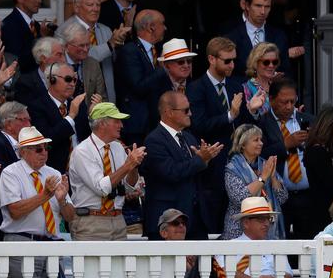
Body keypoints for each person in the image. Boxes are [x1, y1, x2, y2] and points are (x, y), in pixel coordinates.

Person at [0, 126, 74, 278]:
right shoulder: (11, 173)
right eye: (37, 149)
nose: (44, 152)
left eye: (46, 148)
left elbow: (71, 217)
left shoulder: (53, 173)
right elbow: (15, 211)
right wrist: (46, 195)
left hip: (49, 244)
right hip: (22, 241)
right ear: (24, 151)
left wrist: (61, 201)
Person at [188, 36, 254, 234]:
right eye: (227, 61)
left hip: (237, 163)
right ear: (211, 59)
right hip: (213, 166)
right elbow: (198, 125)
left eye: (234, 60)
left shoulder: (237, 85)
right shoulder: (196, 88)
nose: (232, 65)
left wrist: (253, 111)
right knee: (213, 219)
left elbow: (243, 123)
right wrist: (229, 115)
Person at [141, 91, 223, 240]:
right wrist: (200, 160)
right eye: (185, 110)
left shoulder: (189, 137)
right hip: (168, 222)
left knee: (199, 264)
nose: (190, 113)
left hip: (195, 219)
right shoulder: (154, 140)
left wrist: (208, 159)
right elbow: (171, 172)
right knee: (167, 264)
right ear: (169, 112)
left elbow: (197, 171)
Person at [69, 102, 146, 241]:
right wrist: (128, 165)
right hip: (91, 222)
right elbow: (101, 188)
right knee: (91, 264)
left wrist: (134, 166)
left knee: (119, 264)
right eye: (116, 121)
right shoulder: (82, 151)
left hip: (118, 219)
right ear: (102, 123)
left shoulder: (117, 147)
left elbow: (128, 188)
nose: (121, 125)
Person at [259, 77, 314, 240]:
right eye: (284, 102)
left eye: (292, 101)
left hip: (307, 195)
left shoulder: (308, 120)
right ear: (272, 100)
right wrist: (286, 144)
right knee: (282, 243)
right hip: (279, 196)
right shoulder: (263, 123)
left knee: (308, 241)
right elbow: (260, 154)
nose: (289, 106)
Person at [61, 0, 130, 102]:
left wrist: (120, 41)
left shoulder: (105, 30)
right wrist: (110, 44)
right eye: (90, 5)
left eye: (98, 5)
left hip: (107, 97)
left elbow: (115, 62)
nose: (96, 9)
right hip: (80, 98)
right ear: (77, 7)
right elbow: (86, 56)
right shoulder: (65, 30)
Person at [223, 124, 287, 240]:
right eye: (255, 140)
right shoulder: (232, 168)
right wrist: (262, 178)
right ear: (243, 145)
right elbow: (240, 198)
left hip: (267, 230)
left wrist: (272, 178)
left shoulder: (265, 165)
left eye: (261, 140)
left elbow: (282, 198)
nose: (261, 143)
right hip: (239, 231)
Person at [0, 102, 32, 243]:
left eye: (30, 120)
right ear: (9, 124)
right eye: (24, 120)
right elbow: (2, 177)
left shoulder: (29, 146)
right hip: (0, 217)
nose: (30, 124)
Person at [27, 62, 91, 173]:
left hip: (83, 169)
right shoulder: (37, 107)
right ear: (52, 80)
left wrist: (93, 117)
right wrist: (70, 117)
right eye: (68, 79)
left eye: (74, 80)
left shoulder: (78, 104)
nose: (72, 84)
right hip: (56, 171)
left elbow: (87, 136)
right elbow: (47, 140)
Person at [115, 9, 167, 146]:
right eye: (162, 23)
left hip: (154, 121)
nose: (165, 27)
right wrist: (162, 69)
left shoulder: (157, 49)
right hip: (138, 126)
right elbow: (138, 86)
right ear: (151, 27)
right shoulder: (130, 51)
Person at [225, 0, 292, 80]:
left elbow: (286, 71)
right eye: (258, 6)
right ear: (247, 6)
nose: (263, 12)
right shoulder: (231, 38)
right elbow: (228, 75)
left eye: (267, 7)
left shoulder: (279, 36)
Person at [55, 21, 108, 102]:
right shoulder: (56, 65)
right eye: (81, 45)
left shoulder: (93, 64)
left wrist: (98, 106)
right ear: (66, 46)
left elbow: (102, 98)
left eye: (88, 45)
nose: (86, 49)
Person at [13, 37, 66, 107]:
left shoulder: (69, 79)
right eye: (59, 55)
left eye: (63, 55)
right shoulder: (25, 83)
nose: (64, 60)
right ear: (43, 58)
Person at [1, 0, 46, 73]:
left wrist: (45, 37)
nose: (39, 0)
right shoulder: (9, 25)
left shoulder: (36, 25)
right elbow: (17, 62)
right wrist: (40, 40)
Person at [242, 42, 280, 117]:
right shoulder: (246, 88)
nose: (271, 65)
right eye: (266, 62)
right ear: (255, 63)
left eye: (274, 62)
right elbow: (247, 119)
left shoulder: (278, 85)